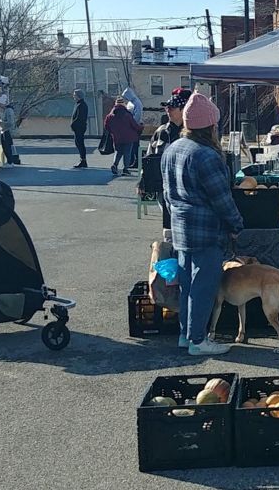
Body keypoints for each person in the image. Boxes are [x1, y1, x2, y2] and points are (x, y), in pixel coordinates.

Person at [161, 92, 244, 356]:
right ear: (210, 126)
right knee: (204, 286)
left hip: (181, 228)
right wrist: (236, 224)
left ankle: (186, 335)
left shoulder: (172, 148)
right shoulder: (207, 155)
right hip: (206, 230)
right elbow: (222, 199)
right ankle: (198, 339)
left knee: (187, 284)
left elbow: (166, 195)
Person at [140, 91, 190, 232]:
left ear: (182, 110)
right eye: (167, 107)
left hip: (185, 187)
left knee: (182, 223)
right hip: (163, 185)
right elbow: (149, 158)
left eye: (172, 107)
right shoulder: (161, 131)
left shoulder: (191, 133)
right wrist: (143, 180)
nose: (168, 110)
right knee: (169, 224)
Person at [103, 97, 143, 176]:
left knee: (118, 151)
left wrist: (113, 132)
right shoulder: (127, 114)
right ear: (123, 104)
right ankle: (126, 169)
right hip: (129, 137)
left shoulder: (110, 115)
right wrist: (141, 127)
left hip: (117, 137)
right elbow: (134, 125)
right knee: (127, 153)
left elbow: (106, 126)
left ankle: (115, 165)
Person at [122, 87, 144, 169]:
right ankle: (133, 160)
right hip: (130, 126)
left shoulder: (137, 103)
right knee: (132, 145)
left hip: (135, 126)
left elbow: (137, 116)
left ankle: (138, 161)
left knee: (135, 145)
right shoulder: (131, 103)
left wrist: (132, 124)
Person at [0, 95, 20, 167]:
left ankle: (10, 162)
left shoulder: (8, 110)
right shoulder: (7, 110)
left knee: (6, 146)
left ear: (2, 103)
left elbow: (10, 122)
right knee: (7, 146)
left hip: (7, 130)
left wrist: (0, 123)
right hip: (6, 130)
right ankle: (10, 161)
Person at [70, 89, 89, 168]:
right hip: (77, 128)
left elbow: (79, 118)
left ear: (78, 96)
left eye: (75, 95)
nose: (73, 96)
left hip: (79, 128)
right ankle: (82, 159)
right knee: (78, 143)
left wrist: (73, 125)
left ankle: (83, 160)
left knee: (80, 143)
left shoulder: (82, 105)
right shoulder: (78, 104)